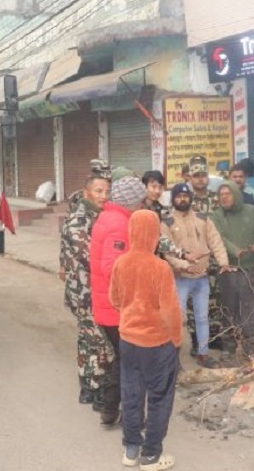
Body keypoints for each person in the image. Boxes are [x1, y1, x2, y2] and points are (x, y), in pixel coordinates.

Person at [110, 210, 182, 471]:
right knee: (160, 397)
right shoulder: (160, 267)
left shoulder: (121, 263)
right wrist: (176, 339)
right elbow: (171, 311)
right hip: (157, 344)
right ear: (155, 234)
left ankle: (131, 450)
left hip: (128, 341)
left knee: (131, 393)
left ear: (131, 233)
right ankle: (151, 455)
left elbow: (115, 300)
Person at [90, 176, 148, 426]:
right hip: (118, 307)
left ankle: (109, 409)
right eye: (141, 200)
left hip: (109, 305)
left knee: (124, 359)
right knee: (132, 363)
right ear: (132, 201)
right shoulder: (120, 224)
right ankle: (130, 416)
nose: (143, 204)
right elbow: (112, 267)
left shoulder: (109, 216)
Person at [161, 183, 231, 369]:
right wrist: (184, 266)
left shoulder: (202, 219)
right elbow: (167, 254)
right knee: (177, 319)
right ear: (173, 199)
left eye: (185, 196)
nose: (182, 199)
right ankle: (172, 359)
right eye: (179, 196)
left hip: (201, 278)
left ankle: (203, 353)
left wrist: (223, 263)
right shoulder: (167, 223)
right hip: (180, 280)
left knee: (202, 318)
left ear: (190, 198)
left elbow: (216, 241)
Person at [59, 175, 113, 410]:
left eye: (106, 191)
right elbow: (91, 257)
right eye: (99, 191)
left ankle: (87, 388)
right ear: (86, 192)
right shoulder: (79, 220)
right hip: (85, 294)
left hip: (90, 291)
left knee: (87, 341)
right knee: (101, 342)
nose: (104, 196)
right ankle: (99, 389)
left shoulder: (96, 216)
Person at [210, 182, 254, 363]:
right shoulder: (217, 215)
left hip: (251, 268)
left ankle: (250, 346)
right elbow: (220, 238)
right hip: (229, 269)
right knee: (229, 308)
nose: (224, 197)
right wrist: (236, 251)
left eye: (228, 193)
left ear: (236, 194)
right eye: (221, 194)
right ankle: (229, 346)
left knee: (250, 308)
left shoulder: (250, 210)